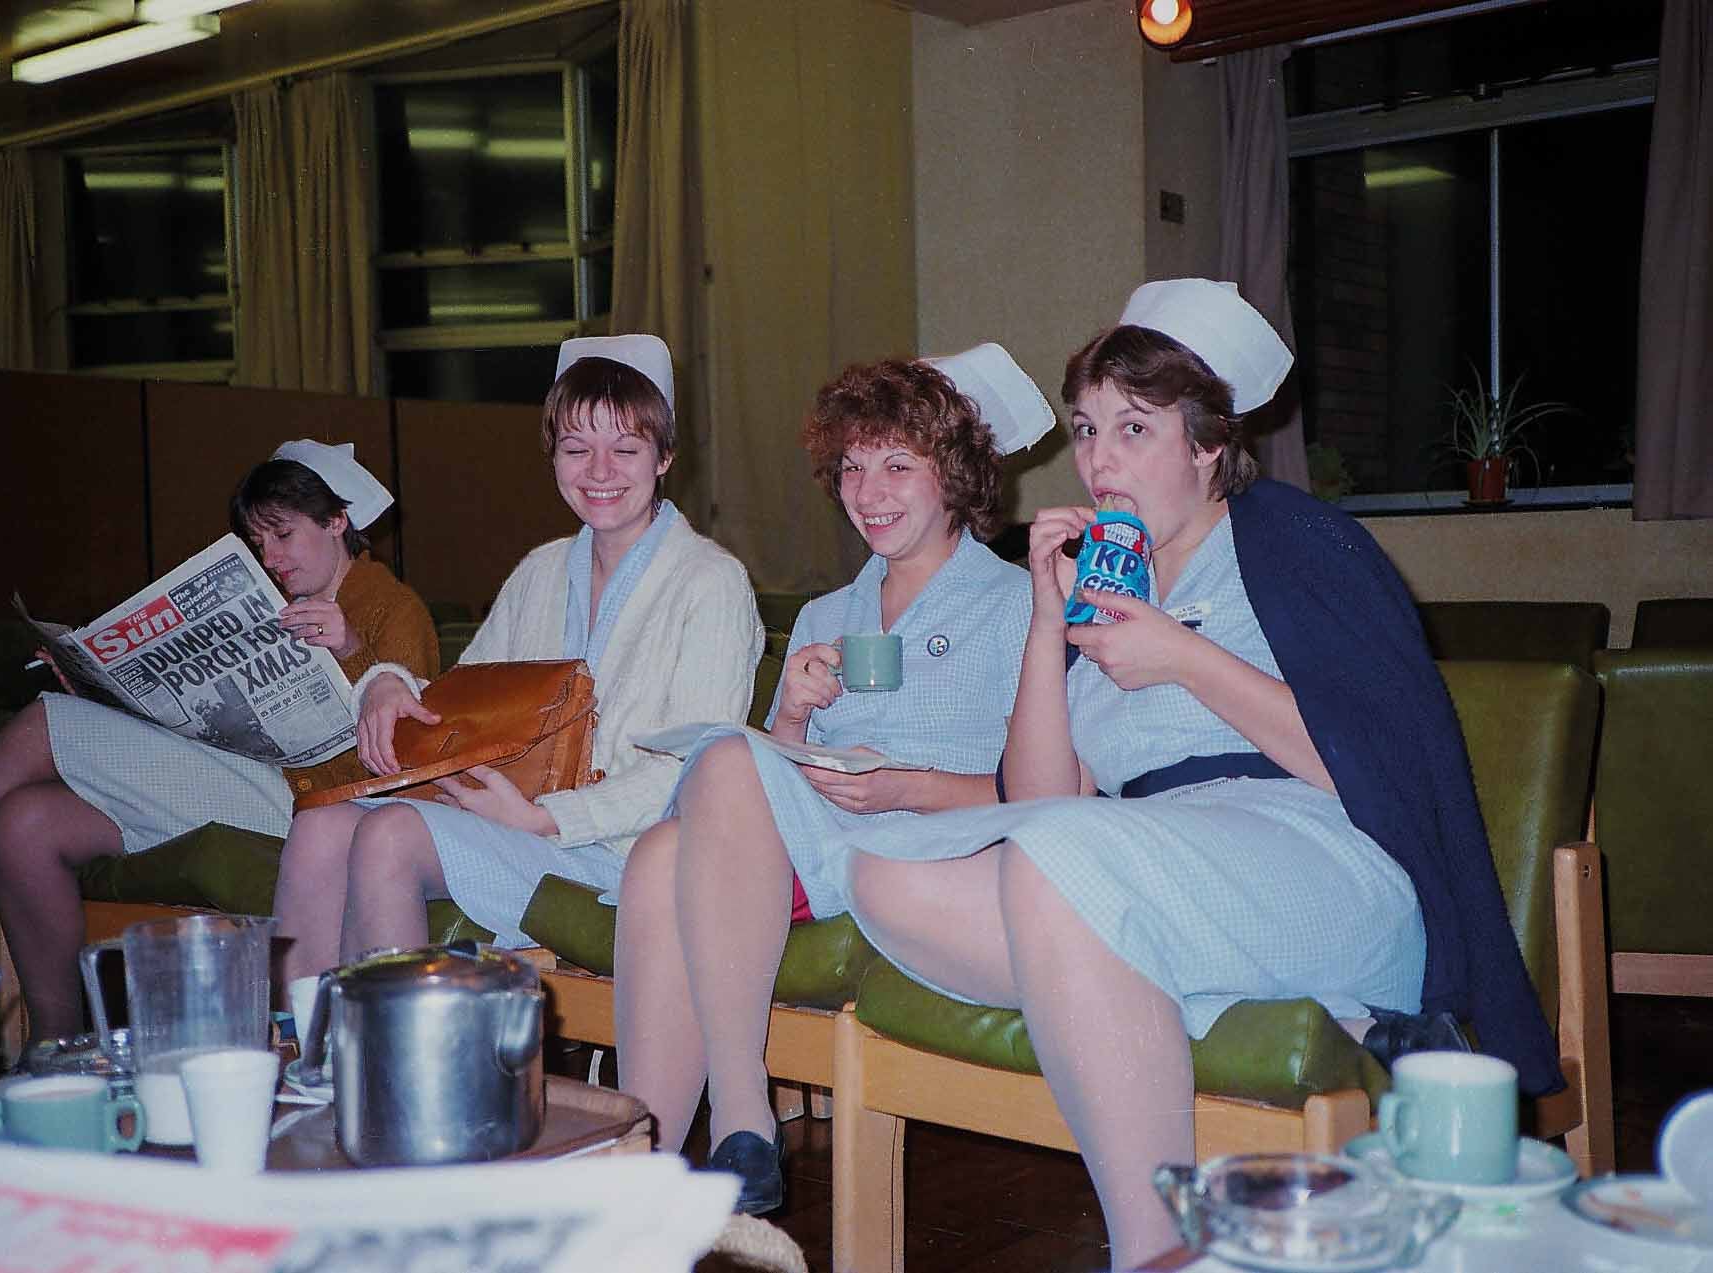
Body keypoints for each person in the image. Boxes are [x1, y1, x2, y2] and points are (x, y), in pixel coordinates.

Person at [827, 279, 1563, 1265]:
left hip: (1320, 862)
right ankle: (1150, 991)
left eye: (1134, 429)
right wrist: (1051, 625)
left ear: (1209, 445)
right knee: (885, 870)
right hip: (1151, 874)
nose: (1097, 460)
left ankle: (1155, 1249)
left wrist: (1185, 658)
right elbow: (1045, 803)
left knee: (1053, 867)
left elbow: (1379, 772)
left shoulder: (1294, 543)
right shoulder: (1108, 587)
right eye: (1087, 429)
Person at [614, 345, 1051, 1212]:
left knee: (683, 827)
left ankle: (739, 1113)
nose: (869, 490)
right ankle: (647, 1160)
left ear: (957, 475)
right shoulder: (826, 615)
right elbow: (771, 781)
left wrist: (910, 785)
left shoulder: (1017, 605)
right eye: (852, 466)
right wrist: (794, 720)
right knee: (665, 848)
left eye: (898, 464)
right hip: (818, 845)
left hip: (935, 851)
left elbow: (1044, 791)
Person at [0, 441, 437, 1042]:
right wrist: (100, 691)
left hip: (310, 810)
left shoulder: (392, 606)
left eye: (282, 535)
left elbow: (409, 744)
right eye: (259, 544)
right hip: (230, 780)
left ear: (337, 522)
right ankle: (59, 1042)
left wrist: (354, 649)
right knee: (25, 823)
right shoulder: (275, 603)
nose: (270, 557)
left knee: (44, 722)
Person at [272, 335, 764, 984]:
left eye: (626, 448)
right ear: (552, 455)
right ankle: (313, 1058)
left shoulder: (712, 582)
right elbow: (461, 696)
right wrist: (387, 683)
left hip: (621, 848)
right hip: (516, 823)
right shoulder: (540, 571)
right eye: (575, 448)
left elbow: (693, 768)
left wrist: (546, 817)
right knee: (319, 827)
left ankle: (399, 1071)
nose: (599, 470)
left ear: (665, 456)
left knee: (390, 834)